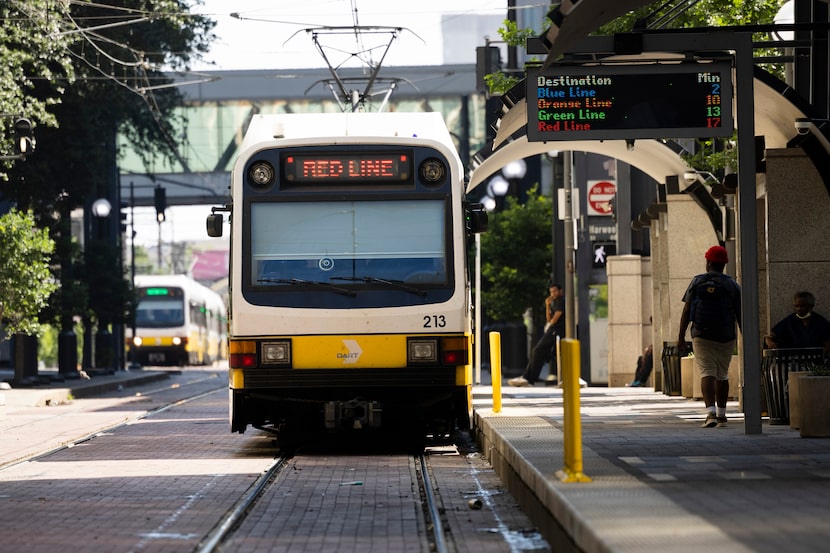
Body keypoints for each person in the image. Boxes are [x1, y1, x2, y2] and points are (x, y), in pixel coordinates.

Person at [677, 245, 741, 428]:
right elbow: (739, 313)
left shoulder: (697, 282)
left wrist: (681, 336)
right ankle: (722, 415)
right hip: (725, 335)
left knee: (707, 372)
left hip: (701, 334)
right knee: (722, 373)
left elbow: (687, 310)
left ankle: (710, 414)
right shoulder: (732, 284)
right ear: (724, 264)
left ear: (708, 262)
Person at [508, 283, 565, 387]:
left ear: (560, 291)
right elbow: (549, 319)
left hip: (556, 330)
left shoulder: (562, 301)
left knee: (538, 350)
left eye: (555, 291)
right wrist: (547, 305)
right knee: (539, 352)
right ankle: (528, 378)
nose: (553, 294)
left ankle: (528, 378)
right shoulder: (555, 302)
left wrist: (551, 321)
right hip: (553, 329)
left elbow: (553, 320)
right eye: (551, 292)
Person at [765, 291, 830, 354]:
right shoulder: (790, 320)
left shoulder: (820, 321)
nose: (799, 309)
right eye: (797, 306)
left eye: (802, 306)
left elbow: (828, 342)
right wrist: (769, 342)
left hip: (814, 360)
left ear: (811, 306)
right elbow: (771, 335)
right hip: (793, 360)